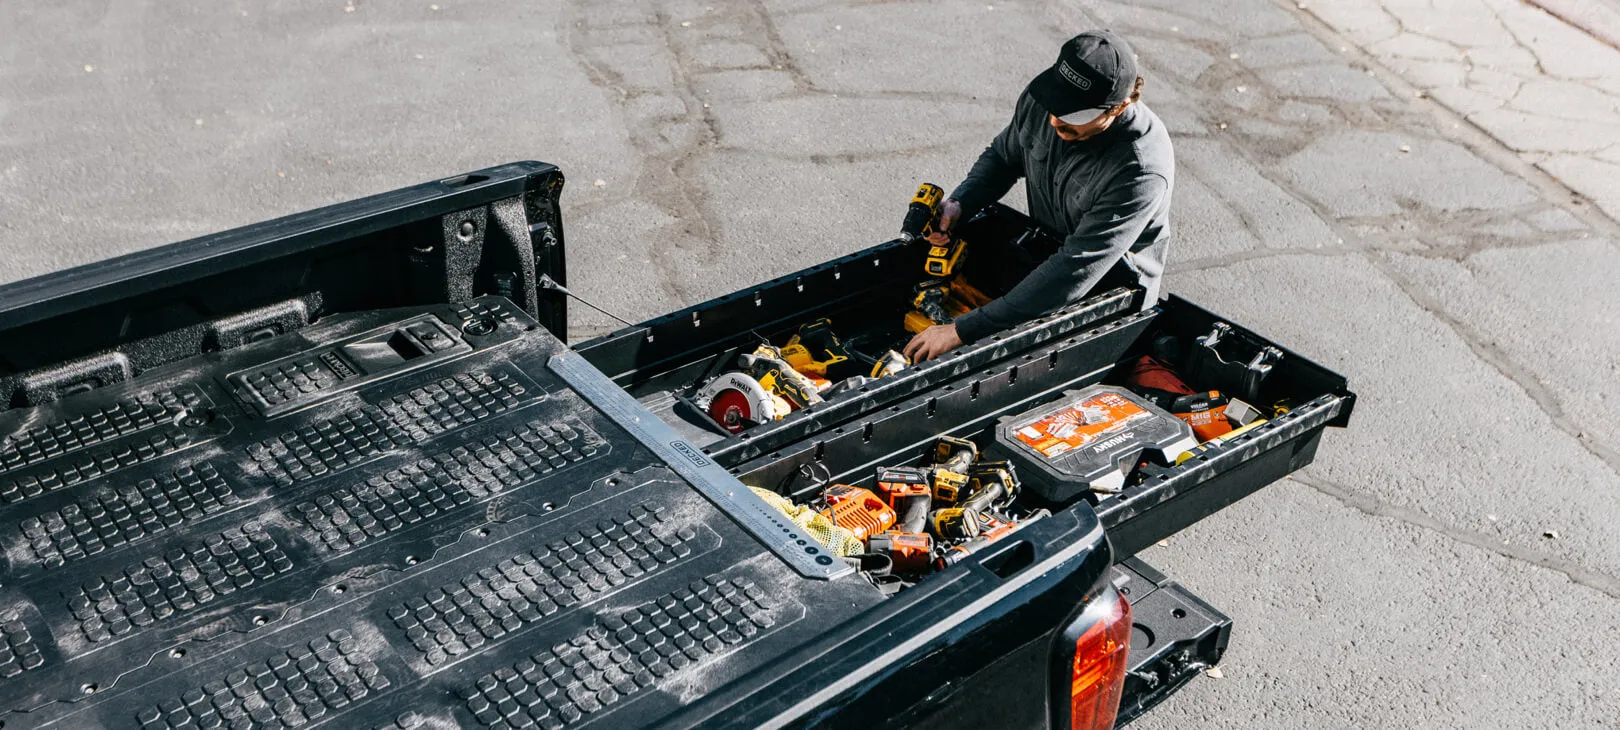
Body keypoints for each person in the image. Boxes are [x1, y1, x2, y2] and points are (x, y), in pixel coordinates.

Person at [903, 30, 1174, 362]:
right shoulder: (1044, 101)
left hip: (1108, 298)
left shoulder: (1140, 168)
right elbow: (1004, 158)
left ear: (1119, 107)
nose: (1055, 120)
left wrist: (963, 331)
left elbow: (1076, 268)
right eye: (1057, 105)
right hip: (1047, 262)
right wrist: (960, 206)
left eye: (1074, 115)